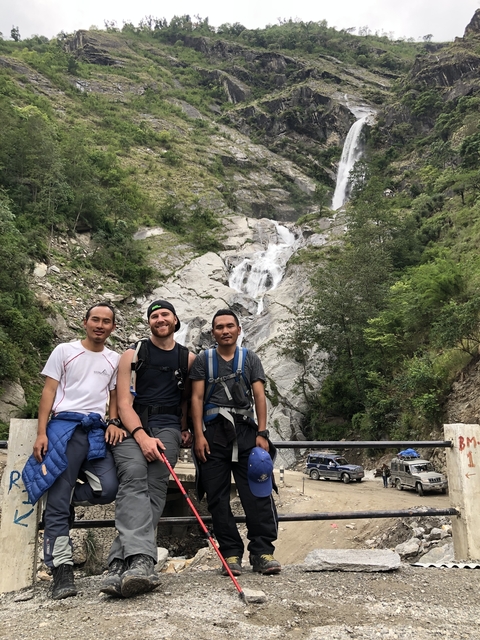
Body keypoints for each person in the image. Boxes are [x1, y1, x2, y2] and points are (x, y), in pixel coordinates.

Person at [22, 303, 124, 600]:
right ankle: (61, 571)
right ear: (85, 322)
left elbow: (115, 394)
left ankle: (67, 500)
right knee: (57, 502)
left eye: (107, 321)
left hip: (95, 430)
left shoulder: (114, 358)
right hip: (64, 427)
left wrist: (114, 421)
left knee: (108, 488)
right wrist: (42, 432)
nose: (100, 325)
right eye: (95, 319)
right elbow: (49, 391)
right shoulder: (64, 351)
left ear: (113, 327)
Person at [100, 299, 195, 598]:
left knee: (155, 483)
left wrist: (186, 428)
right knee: (133, 474)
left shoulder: (187, 359)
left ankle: (119, 562)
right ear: (149, 323)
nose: (159, 319)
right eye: (154, 316)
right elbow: (124, 403)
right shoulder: (133, 354)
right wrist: (140, 435)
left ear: (176, 321)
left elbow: (189, 400)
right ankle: (141, 561)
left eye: (165, 314)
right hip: (133, 423)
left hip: (167, 426)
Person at [190, 309, 281, 576]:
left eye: (230, 326)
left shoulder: (250, 358)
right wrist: (198, 435)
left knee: (258, 492)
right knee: (217, 497)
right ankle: (230, 553)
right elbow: (195, 398)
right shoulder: (203, 360)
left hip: (245, 432)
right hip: (213, 434)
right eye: (219, 327)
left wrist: (262, 434)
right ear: (213, 332)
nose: (225, 331)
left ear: (239, 330)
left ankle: (262, 551)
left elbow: (259, 396)